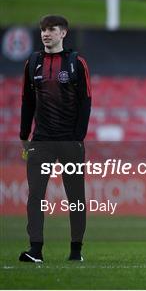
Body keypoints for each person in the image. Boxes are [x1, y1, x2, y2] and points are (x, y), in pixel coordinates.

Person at [19, 15, 91, 263]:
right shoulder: (33, 62)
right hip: (41, 141)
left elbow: (86, 102)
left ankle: (75, 251)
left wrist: (78, 138)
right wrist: (23, 135)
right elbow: (27, 102)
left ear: (63, 33)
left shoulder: (76, 63)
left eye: (51, 29)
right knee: (35, 196)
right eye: (42, 30)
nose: (45, 34)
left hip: (70, 142)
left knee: (76, 198)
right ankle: (35, 249)